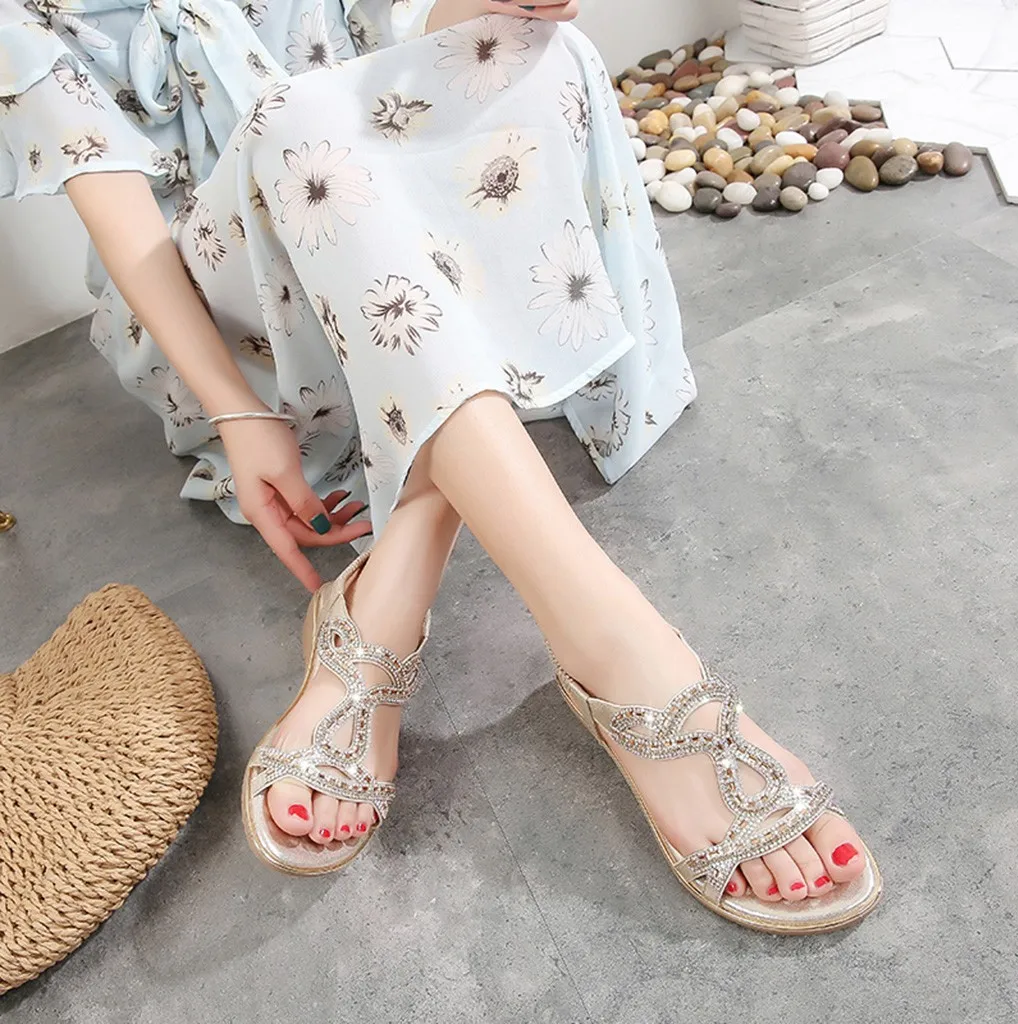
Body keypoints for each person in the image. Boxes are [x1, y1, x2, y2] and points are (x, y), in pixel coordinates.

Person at [0, 0, 879, 932]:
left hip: (378, 238)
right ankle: (623, 650)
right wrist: (237, 409)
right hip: (229, 318)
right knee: (302, 122)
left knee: (534, 50)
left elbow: (400, 49)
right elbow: (125, 227)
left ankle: (385, 604)